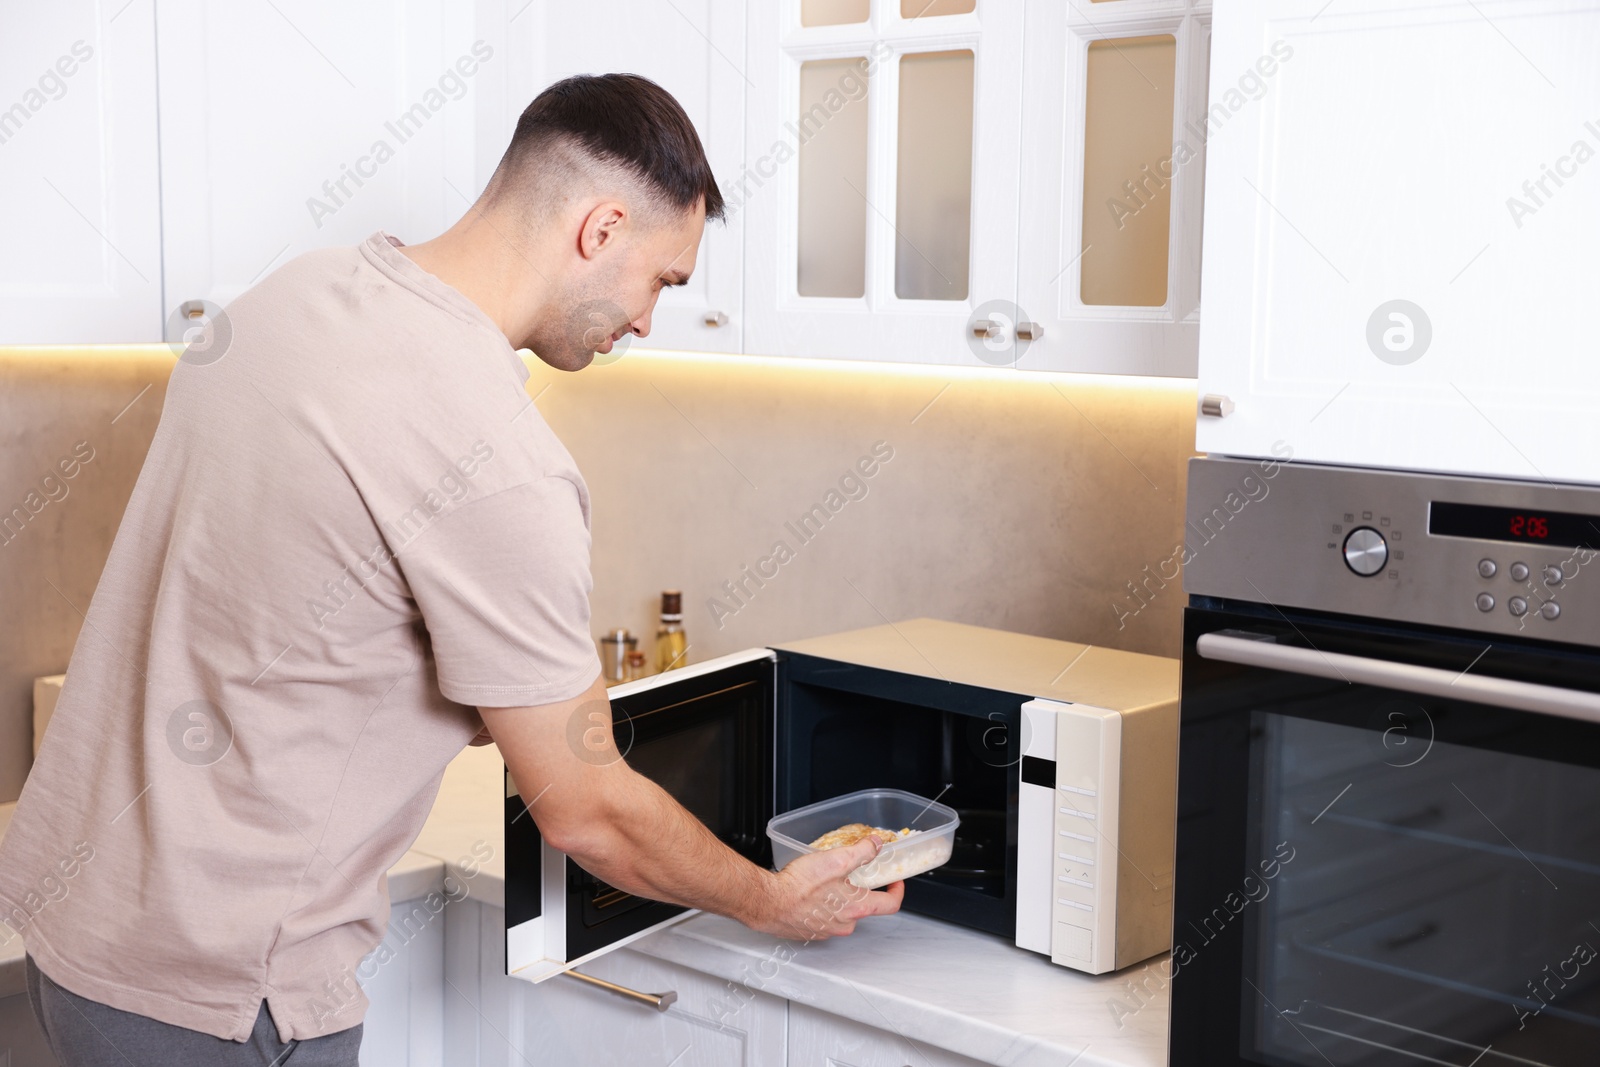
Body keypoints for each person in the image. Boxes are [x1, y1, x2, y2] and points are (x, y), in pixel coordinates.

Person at [0, 73, 901, 1067]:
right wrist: (773, 898)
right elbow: (588, 809)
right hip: (218, 992)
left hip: (77, 928)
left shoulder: (294, 293)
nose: (648, 321)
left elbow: (287, 597)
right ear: (600, 229)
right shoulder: (498, 460)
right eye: (664, 280)